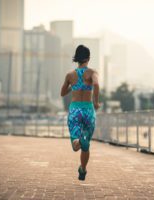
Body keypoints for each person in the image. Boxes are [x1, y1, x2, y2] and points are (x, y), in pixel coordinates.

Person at [60, 45, 100, 181]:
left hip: (75, 110)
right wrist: (96, 102)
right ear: (88, 58)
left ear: (76, 58)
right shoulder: (92, 72)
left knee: (76, 141)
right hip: (88, 110)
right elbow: (96, 85)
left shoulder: (70, 75)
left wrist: (73, 87)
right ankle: (82, 169)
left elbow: (62, 93)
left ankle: (76, 141)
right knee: (86, 144)